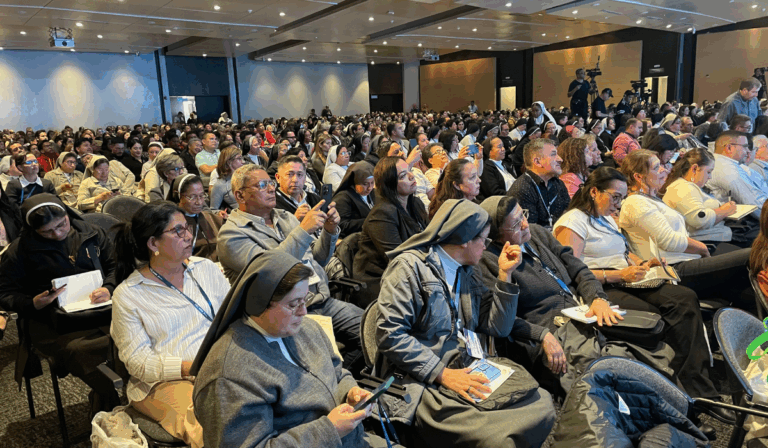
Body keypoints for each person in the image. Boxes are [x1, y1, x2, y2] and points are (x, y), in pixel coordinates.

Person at [374, 198, 556, 448]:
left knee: (540, 402)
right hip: (422, 378)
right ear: (464, 240)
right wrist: (442, 374)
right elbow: (389, 334)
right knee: (499, 436)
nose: (487, 245)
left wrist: (505, 275)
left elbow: (499, 327)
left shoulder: (468, 271)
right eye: (483, 238)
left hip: (465, 364)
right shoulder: (408, 268)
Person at [552, 167, 725, 402]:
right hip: (599, 288)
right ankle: (676, 387)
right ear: (594, 192)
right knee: (655, 315)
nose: (618, 205)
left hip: (625, 279)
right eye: (615, 197)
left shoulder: (604, 218)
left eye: (621, 198)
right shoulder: (573, 222)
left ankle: (696, 385)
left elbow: (622, 253)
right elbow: (571, 271)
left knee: (683, 297)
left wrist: (644, 263)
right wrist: (618, 275)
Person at [192, 250, 396, 448]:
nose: (304, 311)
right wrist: (330, 430)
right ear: (259, 304)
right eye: (293, 304)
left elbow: (337, 373)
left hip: (353, 439)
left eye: (305, 299)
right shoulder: (229, 374)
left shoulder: (307, 329)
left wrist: (350, 392)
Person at [478, 195, 677, 394]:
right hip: (551, 332)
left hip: (583, 315)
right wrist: (542, 335)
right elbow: (501, 319)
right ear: (496, 234)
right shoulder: (488, 260)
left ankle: (677, 404)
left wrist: (597, 298)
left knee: (652, 348)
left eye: (523, 215)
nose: (524, 224)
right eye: (515, 224)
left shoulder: (537, 233)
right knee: (617, 366)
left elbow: (579, 270)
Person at [217, 164, 364, 371]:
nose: (271, 189)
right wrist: (303, 231)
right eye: (262, 185)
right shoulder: (231, 235)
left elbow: (318, 259)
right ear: (240, 195)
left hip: (319, 299)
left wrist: (330, 231)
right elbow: (270, 272)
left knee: (374, 331)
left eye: (271, 183)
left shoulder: (285, 217)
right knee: (322, 360)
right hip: (284, 313)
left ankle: (338, 376)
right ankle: (330, 376)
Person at [111, 202, 230, 448]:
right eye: (177, 231)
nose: (188, 236)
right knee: (214, 425)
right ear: (153, 244)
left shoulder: (205, 268)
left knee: (264, 406)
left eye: (187, 227)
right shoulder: (129, 294)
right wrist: (190, 368)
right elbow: (138, 363)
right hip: (163, 382)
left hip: (218, 366)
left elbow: (231, 318)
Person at [0, 194, 120, 416]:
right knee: (80, 350)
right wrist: (32, 303)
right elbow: (4, 292)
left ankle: (112, 398)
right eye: (47, 232)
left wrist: (109, 287)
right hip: (50, 320)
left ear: (67, 214)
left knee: (127, 339)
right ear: (33, 229)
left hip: (100, 310)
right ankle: (112, 400)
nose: (57, 234)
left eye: (61, 225)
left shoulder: (92, 233)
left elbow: (114, 266)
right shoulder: (20, 250)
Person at [619, 149, 753, 309]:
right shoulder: (635, 203)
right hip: (674, 268)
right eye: (656, 167)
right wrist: (702, 248)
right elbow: (670, 242)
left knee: (745, 286)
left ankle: (757, 324)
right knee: (752, 255)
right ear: (639, 177)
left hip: (686, 261)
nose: (663, 170)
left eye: (661, 165)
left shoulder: (649, 199)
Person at [353, 157, 427, 307]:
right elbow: (398, 259)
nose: (411, 176)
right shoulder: (382, 214)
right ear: (389, 184)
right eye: (403, 175)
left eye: (410, 171)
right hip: (380, 281)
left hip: (411, 272)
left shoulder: (416, 204)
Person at [661, 148, 739, 246]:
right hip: (706, 243)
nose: (710, 177)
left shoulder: (688, 186)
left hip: (714, 237)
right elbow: (700, 220)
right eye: (708, 172)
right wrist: (724, 211)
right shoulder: (683, 188)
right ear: (694, 169)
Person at [507, 139, 569, 229]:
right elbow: (530, 232)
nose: (560, 159)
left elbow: (569, 214)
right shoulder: (522, 189)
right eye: (553, 154)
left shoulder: (557, 183)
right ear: (537, 162)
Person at [706, 130, 767, 220]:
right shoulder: (726, 168)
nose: (748, 151)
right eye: (745, 147)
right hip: (738, 224)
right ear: (729, 148)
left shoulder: (724, 163)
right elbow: (755, 203)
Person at [167, 174, 224, 261]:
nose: (199, 202)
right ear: (178, 196)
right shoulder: (171, 225)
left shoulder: (213, 219)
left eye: (201, 196)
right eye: (192, 197)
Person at [332, 163, 375, 238]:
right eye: (365, 184)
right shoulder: (342, 198)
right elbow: (342, 225)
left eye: (372, 183)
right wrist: (371, 221)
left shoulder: (372, 193)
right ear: (354, 182)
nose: (370, 188)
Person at [274, 155, 321, 220]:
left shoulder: (315, 199)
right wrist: (294, 220)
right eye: (289, 174)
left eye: (299, 174)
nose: (295, 180)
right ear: (278, 178)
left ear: (305, 178)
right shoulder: (272, 204)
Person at [210, 147, 243, 211]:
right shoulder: (220, 185)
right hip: (242, 215)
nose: (242, 162)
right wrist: (219, 213)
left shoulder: (245, 177)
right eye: (239, 159)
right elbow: (213, 210)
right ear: (229, 162)